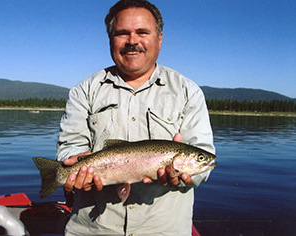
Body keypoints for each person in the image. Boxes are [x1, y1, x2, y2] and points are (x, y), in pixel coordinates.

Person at [56, 0, 215, 235]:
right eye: (122, 33)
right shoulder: (84, 90)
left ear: (159, 39)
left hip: (163, 229)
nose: (132, 41)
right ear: (110, 40)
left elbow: (204, 162)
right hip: (93, 228)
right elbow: (69, 147)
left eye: (142, 32)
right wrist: (73, 165)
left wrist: (182, 177)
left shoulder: (188, 91)